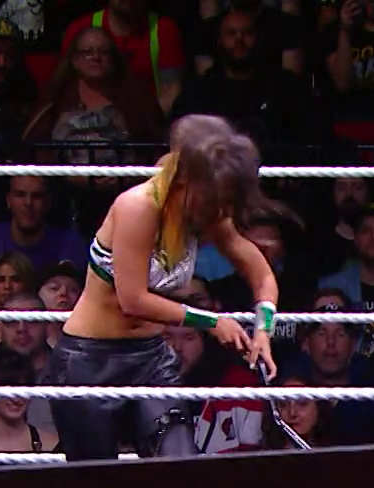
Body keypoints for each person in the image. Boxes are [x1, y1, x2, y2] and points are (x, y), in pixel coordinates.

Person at [50, 114, 280, 460]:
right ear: (186, 178)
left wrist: (263, 329)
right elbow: (132, 299)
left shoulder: (208, 210)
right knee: (95, 483)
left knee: (178, 463)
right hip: (90, 359)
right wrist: (212, 321)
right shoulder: (138, 207)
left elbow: (262, 276)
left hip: (151, 360)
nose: (218, 211)